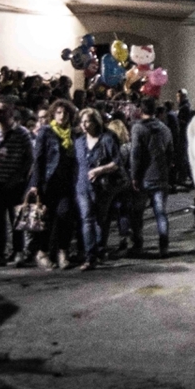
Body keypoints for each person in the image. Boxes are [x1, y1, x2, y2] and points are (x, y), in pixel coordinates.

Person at [0, 95, 33, 266]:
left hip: (15, 184)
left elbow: (29, 158)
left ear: (11, 111)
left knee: (17, 219)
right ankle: (0, 253)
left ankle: (18, 251)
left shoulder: (22, 133)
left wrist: (19, 176)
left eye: (3, 110)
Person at [28, 99, 79, 270]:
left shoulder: (73, 133)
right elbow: (39, 159)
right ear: (53, 114)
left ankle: (62, 251)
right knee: (45, 219)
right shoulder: (46, 132)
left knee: (65, 215)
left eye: (65, 113)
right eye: (58, 112)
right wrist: (35, 183)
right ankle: (42, 252)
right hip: (47, 183)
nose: (62, 116)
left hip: (66, 183)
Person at [74, 108, 121, 271]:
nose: (84, 125)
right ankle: (90, 256)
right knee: (87, 219)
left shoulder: (107, 139)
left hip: (103, 187)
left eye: (88, 121)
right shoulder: (79, 142)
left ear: (96, 122)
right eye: (82, 122)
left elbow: (117, 162)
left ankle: (100, 250)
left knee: (101, 220)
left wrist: (100, 170)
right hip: (83, 186)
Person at [130, 97, 175, 256]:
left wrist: (134, 175)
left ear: (140, 111)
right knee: (160, 213)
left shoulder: (138, 129)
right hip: (161, 176)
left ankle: (138, 244)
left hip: (143, 177)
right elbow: (170, 152)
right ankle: (164, 246)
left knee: (138, 213)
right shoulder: (165, 129)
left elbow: (136, 153)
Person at [106, 119, 135, 254]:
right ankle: (128, 236)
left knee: (119, 210)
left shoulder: (115, 148)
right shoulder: (129, 146)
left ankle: (123, 237)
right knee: (126, 210)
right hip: (128, 181)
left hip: (116, 182)